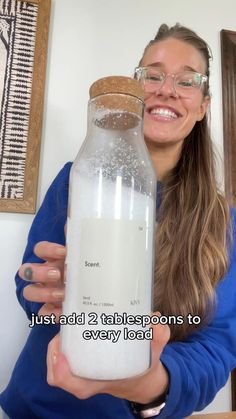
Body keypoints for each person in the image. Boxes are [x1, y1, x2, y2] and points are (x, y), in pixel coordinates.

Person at [1, 23, 236, 419]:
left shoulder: (223, 224)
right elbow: (30, 282)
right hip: (35, 406)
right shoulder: (75, 178)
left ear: (202, 107)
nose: (167, 89)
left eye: (188, 80)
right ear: (134, 91)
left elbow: (217, 347)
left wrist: (147, 384)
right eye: (153, 75)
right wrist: (46, 289)